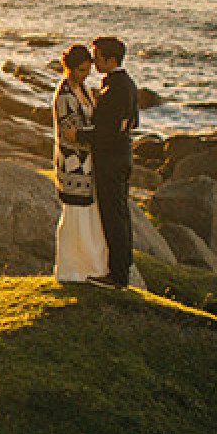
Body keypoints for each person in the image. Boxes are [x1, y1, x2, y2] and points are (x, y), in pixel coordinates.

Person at [52, 43, 107, 283]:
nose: (87, 74)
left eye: (88, 69)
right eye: (82, 70)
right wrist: (99, 136)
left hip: (87, 162)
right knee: (75, 215)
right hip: (73, 163)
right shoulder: (64, 95)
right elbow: (70, 132)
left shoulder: (83, 89)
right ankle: (71, 268)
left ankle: (90, 266)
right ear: (71, 69)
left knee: (88, 214)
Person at [87, 35, 139, 289]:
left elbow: (105, 131)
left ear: (110, 59)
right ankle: (122, 268)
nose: (93, 61)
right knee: (120, 214)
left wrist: (80, 134)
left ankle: (117, 276)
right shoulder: (127, 83)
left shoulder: (116, 88)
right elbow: (132, 121)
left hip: (111, 159)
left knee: (113, 217)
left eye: (97, 57)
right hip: (123, 156)